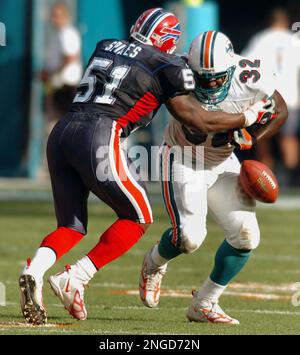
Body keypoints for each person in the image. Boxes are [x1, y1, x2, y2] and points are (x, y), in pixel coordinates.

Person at [19, 9, 275, 325]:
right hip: (102, 134)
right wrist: (247, 119)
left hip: (62, 131)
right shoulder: (167, 64)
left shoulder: (105, 45)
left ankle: (34, 269)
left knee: (71, 225)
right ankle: (76, 277)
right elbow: (195, 118)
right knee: (139, 216)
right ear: (168, 42)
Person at [139, 31, 287, 324]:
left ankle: (205, 303)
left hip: (222, 162)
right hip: (182, 158)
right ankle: (154, 262)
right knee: (190, 238)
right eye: (203, 79)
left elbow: (280, 111)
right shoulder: (177, 74)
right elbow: (200, 120)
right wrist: (247, 120)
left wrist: (254, 137)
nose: (211, 84)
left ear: (231, 68)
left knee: (246, 236)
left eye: (218, 78)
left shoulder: (250, 77)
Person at [243, 8, 300, 185]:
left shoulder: (260, 39)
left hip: (266, 98)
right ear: (285, 22)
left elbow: (245, 66)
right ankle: (292, 179)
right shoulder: (294, 40)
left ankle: (263, 179)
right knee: (288, 138)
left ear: (270, 22)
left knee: (263, 139)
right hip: (290, 98)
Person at [41, 3, 82, 120]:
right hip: (59, 87)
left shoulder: (67, 33)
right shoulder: (58, 33)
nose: (54, 19)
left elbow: (70, 58)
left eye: (57, 16)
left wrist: (50, 73)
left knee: (64, 124)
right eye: (53, 15)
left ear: (65, 17)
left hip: (67, 88)